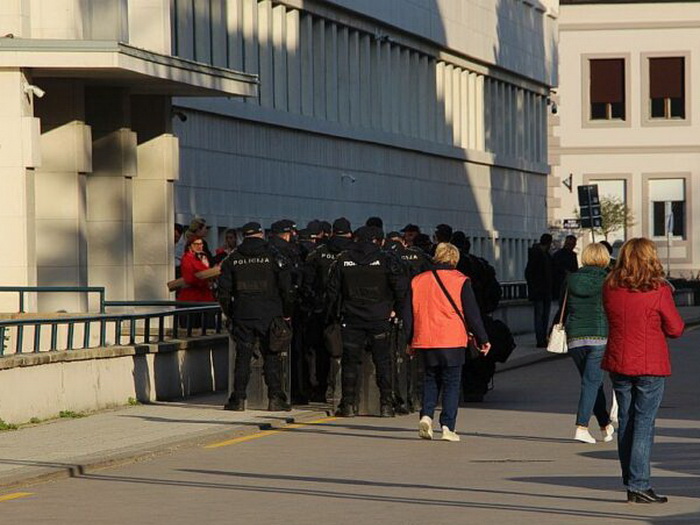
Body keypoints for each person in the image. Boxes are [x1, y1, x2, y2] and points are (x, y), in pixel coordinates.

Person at [603, 238, 684, 504]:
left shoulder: (610, 287)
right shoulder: (659, 289)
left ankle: (631, 480)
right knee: (644, 423)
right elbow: (675, 328)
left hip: (619, 361)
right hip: (650, 364)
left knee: (626, 421)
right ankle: (639, 484)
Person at [403, 243, 490, 442]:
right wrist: (482, 339)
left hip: (425, 338)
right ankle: (447, 427)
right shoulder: (460, 280)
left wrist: (410, 340)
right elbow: (472, 313)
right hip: (452, 339)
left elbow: (407, 314)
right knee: (452, 383)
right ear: (455, 259)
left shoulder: (418, 280)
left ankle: (426, 415)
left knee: (430, 379)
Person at [327, 225, 408, 417]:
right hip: (379, 317)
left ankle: (347, 404)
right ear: (378, 241)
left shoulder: (343, 259)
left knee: (350, 361)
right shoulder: (386, 259)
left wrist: (332, 316)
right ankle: (386, 405)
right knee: (383, 362)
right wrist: (396, 310)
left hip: (351, 318)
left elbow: (332, 292)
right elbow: (401, 288)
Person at [217, 222, 296, 412]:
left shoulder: (232, 259)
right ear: (261, 235)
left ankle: (238, 399)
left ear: (244, 236)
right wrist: (286, 313)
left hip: (243, 314)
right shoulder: (274, 256)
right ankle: (275, 398)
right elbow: (287, 289)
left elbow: (223, 293)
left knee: (242, 357)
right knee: (271, 356)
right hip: (270, 314)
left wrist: (231, 313)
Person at [562, 243, 614, 444]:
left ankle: (604, 424)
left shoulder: (571, 279)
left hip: (575, 336)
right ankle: (581, 427)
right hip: (599, 334)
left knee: (592, 382)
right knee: (591, 382)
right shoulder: (608, 280)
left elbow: (562, 308)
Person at [303, 217, 354, 402]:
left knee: (322, 350)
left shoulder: (318, 253)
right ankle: (347, 392)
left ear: (332, 232)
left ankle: (321, 388)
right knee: (349, 351)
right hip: (350, 310)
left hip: (322, 309)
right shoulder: (355, 252)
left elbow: (306, 283)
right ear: (350, 233)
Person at [525, 233, 554, 347]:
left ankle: (542, 338)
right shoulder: (540, 255)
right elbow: (530, 273)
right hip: (541, 290)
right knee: (541, 315)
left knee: (542, 315)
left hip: (542, 290)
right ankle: (541, 339)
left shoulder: (541, 254)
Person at [179, 237, 216, 303]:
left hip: (204, 295)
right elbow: (189, 278)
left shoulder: (203, 257)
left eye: (201, 244)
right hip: (192, 296)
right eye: (196, 244)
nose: (199, 246)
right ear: (190, 246)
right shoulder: (187, 258)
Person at [552, 235, 578, 302]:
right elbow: (555, 268)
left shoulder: (573, 255)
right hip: (560, 283)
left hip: (570, 282)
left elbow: (575, 268)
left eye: (573, 244)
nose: (572, 246)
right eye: (570, 244)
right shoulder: (558, 255)